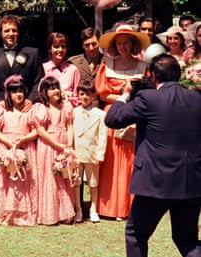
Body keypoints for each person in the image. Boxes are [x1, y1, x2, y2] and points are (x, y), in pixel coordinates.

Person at [105, 54, 201, 257]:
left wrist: (125, 94)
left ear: (154, 76)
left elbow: (113, 119)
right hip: (190, 180)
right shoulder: (196, 98)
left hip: (155, 181)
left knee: (136, 234)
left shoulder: (148, 98)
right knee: (187, 239)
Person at [95, 24, 150, 220]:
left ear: (133, 44)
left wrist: (131, 101)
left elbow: (147, 93)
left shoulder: (143, 67)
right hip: (114, 113)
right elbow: (102, 93)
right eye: (119, 43)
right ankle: (112, 207)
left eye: (127, 43)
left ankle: (132, 207)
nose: (123, 47)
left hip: (135, 114)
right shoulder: (107, 66)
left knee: (132, 160)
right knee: (112, 159)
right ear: (114, 45)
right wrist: (123, 95)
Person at [0, 74, 37, 226]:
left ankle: (20, 213)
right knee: (3, 181)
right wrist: (9, 143)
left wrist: (22, 140)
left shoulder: (29, 112)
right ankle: (2, 212)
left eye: (21, 91)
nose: (18, 94)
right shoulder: (2, 111)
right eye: (14, 92)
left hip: (23, 147)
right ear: (8, 94)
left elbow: (35, 131)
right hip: (4, 148)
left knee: (21, 182)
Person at [30, 76, 75, 225]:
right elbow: (40, 131)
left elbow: (69, 126)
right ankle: (50, 213)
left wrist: (68, 145)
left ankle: (65, 212)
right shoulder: (42, 108)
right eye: (51, 88)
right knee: (50, 177)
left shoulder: (65, 107)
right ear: (44, 91)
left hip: (63, 144)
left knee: (63, 177)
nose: (55, 90)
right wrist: (57, 145)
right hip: (49, 145)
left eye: (57, 87)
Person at [0, 14, 43, 110]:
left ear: (18, 32)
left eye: (14, 30)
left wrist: (31, 99)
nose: (11, 34)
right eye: (7, 31)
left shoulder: (33, 54)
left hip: (27, 108)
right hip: (2, 109)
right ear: (1, 33)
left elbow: (39, 80)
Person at [72, 81, 108, 223]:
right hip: (77, 154)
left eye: (88, 94)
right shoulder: (74, 112)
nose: (85, 97)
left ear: (93, 95)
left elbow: (102, 136)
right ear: (78, 95)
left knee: (93, 183)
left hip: (92, 154)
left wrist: (100, 154)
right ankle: (79, 210)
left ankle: (93, 209)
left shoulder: (100, 114)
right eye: (82, 94)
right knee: (76, 183)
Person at [42, 32, 81, 107]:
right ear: (50, 49)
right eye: (56, 47)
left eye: (63, 47)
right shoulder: (43, 68)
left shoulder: (73, 69)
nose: (60, 50)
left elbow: (77, 95)